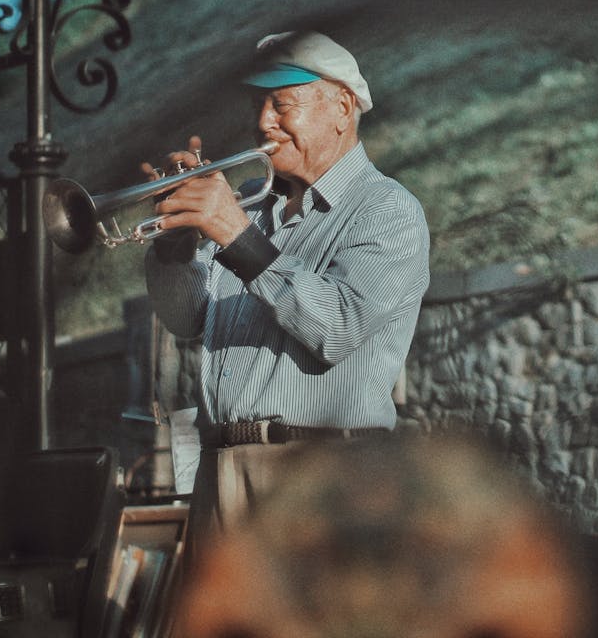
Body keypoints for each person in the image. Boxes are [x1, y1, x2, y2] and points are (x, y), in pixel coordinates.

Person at [143, 30, 430, 546]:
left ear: (342, 107)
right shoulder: (249, 204)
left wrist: (235, 235)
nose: (262, 123)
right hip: (220, 471)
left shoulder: (387, 210)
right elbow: (184, 319)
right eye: (258, 104)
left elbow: (337, 329)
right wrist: (176, 244)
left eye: (282, 104)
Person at [170, 433, 593, 638]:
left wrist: (242, 252)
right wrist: (172, 262)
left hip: (315, 461)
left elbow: (334, 328)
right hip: (221, 452)